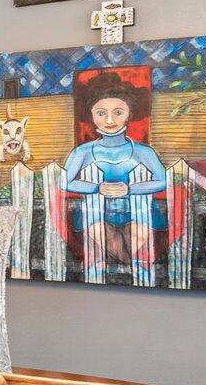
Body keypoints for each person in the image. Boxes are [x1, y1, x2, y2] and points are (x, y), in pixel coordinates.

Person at [62, 72, 168, 268]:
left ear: (129, 113)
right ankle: (125, 269)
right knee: (112, 245)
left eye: (118, 112)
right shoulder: (83, 152)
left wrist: (130, 189)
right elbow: (64, 181)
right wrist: (96, 188)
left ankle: (122, 269)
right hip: (96, 215)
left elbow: (163, 180)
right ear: (91, 115)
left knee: (135, 244)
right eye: (101, 113)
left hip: (139, 214)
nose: (110, 120)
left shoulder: (143, 151)